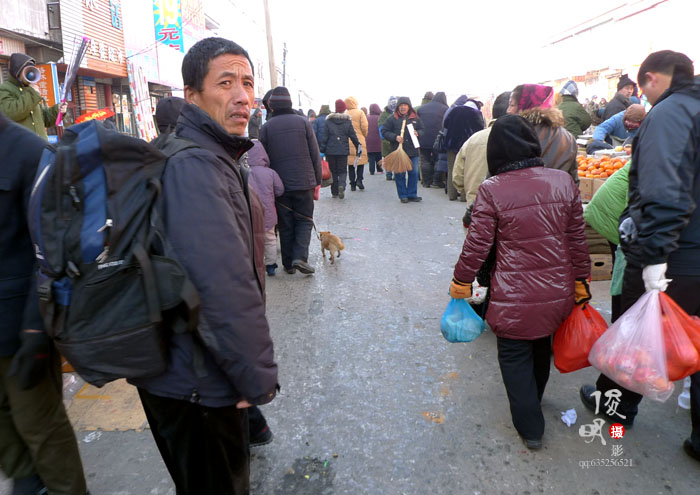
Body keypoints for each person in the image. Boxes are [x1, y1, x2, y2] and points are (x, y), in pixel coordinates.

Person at [129, 38, 279, 494]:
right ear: (191, 95)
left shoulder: (210, 154)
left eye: (248, 83)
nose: (242, 96)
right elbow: (221, 288)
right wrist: (254, 379)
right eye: (226, 82)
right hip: (195, 380)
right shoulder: (196, 167)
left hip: (185, 370)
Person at [580, 50, 700, 463]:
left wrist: (652, 258)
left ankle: (615, 411)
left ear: (650, 79)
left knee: (633, 338)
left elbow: (664, 195)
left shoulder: (670, 115)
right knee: (695, 340)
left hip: (677, 255)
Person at [450, 114, 590, 450]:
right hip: (557, 291)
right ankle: (533, 402)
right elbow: (577, 239)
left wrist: (461, 281)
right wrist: (581, 279)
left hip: (512, 295)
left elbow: (477, 245)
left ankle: (531, 427)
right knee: (542, 345)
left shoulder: (492, 189)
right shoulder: (562, 181)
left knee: (513, 353)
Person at [0, 111, 90, 495]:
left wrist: (37, 330)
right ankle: (26, 482)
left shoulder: (28, 150)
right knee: (5, 426)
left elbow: (54, 250)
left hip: (18, 330)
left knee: (42, 426)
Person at [260, 86, 322, 275]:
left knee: (286, 223)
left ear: (271, 106)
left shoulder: (266, 127)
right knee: (304, 220)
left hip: (279, 185)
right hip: (304, 181)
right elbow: (314, 153)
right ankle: (300, 257)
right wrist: (317, 180)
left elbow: (263, 158)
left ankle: (288, 264)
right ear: (290, 103)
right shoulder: (303, 123)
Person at [507, 84, 579, 185]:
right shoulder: (568, 137)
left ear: (525, 105)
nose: (508, 110)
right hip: (557, 197)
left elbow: (495, 177)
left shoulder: (514, 133)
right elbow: (573, 180)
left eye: (512, 105)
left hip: (519, 198)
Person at [453, 91, 511, 207]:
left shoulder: (473, 139)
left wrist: (469, 192)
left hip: (476, 207)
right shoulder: (522, 138)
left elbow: (457, 177)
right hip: (509, 209)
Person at [0, 53, 67, 140]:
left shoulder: (31, 91)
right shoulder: (5, 89)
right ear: (17, 71)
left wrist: (58, 110)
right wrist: (32, 94)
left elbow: (46, 120)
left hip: (40, 146)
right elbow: (11, 113)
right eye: (27, 71)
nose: (30, 74)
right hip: (21, 147)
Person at [247, 141, 284, 276]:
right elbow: (280, 190)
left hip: (249, 211)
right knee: (270, 239)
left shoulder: (241, 171)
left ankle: (254, 265)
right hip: (268, 212)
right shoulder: (270, 172)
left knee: (251, 239)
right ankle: (270, 265)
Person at [380, 96, 424, 203]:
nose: (403, 107)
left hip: (413, 151)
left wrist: (418, 133)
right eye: (401, 105)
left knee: (414, 173)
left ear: (409, 107)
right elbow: (384, 131)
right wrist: (395, 137)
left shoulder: (415, 118)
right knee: (400, 174)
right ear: (398, 107)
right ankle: (403, 195)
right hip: (398, 151)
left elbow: (422, 129)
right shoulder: (392, 118)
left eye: (405, 105)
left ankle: (412, 194)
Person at [442, 95, 485, 200]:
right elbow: (480, 129)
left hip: (451, 144)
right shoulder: (476, 114)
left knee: (452, 168)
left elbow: (446, 124)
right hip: (467, 146)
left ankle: (451, 195)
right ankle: (463, 196)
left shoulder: (454, 110)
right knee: (466, 170)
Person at [320, 99, 360, 199]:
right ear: (343, 109)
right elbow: (353, 136)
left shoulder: (329, 121)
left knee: (333, 171)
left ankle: (334, 192)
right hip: (343, 150)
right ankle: (342, 185)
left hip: (330, 151)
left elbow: (324, 137)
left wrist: (322, 151)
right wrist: (358, 146)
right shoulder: (347, 121)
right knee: (342, 170)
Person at [417, 91, 448, 188]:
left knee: (424, 160)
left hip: (423, 138)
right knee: (438, 159)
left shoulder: (422, 108)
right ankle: (436, 181)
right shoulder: (445, 109)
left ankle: (426, 182)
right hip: (437, 139)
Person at [344, 97, 368, 191]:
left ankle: (352, 184)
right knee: (360, 161)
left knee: (350, 163)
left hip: (348, 140)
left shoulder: (345, 114)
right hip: (359, 139)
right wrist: (364, 135)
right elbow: (364, 126)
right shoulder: (360, 112)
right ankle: (359, 180)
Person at [378, 96, 398, 181]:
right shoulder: (384, 115)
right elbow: (381, 128)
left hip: (397, 139)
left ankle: (396, 174)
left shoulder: (398, 113)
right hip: (387, 140)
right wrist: (384, 137)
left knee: (396, 157)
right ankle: (389, 174)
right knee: (387, 157)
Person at [365, 103, 383, 175]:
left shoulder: (367, 117)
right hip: (378, 139)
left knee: (371, 156)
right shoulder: (380, 117)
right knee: (379, 155)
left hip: (368, 140)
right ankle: (379, 169)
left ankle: (371, 170)